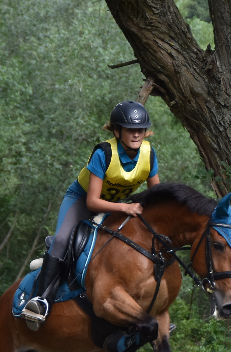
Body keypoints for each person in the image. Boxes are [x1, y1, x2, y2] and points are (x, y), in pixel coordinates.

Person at [22, 101, 161, 328]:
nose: (137, 134)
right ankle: (40, 300)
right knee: (61, 239)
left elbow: (156, 196)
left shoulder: (149, 153)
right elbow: (93, 202)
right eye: (130, 130)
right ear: (117, 131)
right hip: (82, 200)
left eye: (141, 130)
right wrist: (126, 208)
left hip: (115, 204)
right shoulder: (103, 152)